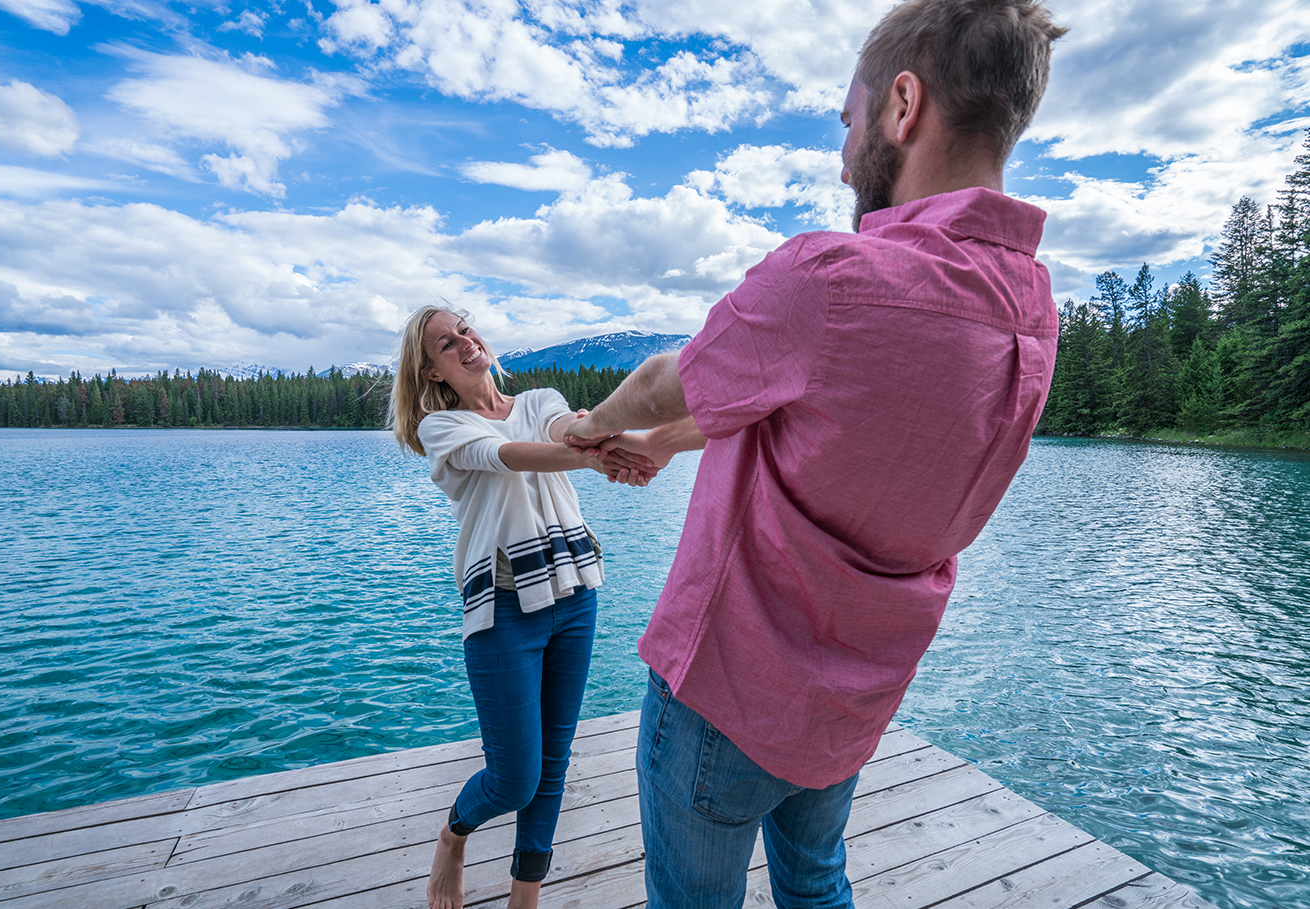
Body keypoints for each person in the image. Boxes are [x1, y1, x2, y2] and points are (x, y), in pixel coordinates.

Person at [565, 1, 1068, 906]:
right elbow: (816, 419)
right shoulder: (1032, 312)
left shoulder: (833, 281)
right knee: (816, 883)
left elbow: (655, 379)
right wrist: (666, 446)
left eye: (848, 118)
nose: (843, 151)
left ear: (902, 106)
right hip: (853, 703)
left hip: (727, 693)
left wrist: (585, 426)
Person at [392, 305, 652, 909]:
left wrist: (596, 436)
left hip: (576, 596)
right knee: (514, 778)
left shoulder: (539, 398)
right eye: (444, 344)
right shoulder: (444, 429)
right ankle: (453, 835)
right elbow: (509, 455)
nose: (463, 342)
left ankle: (523, 898)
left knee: (553, 763)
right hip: (504, 611)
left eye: (464, 329)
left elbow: (561, 428)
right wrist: (594, 456)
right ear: (431, 372)